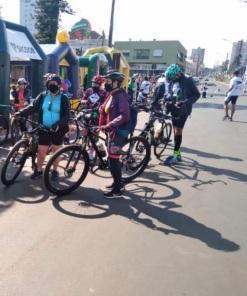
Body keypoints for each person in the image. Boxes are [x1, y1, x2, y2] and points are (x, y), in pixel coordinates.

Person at [15, 74, 70, 179]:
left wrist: (58, 124)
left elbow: (67, 116)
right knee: (41, 151)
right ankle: (39, 170)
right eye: (49, 83)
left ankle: (54, 171)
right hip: (44, 127)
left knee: (55, 151)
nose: (51, 85)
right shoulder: (43, 95)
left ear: (59, 85)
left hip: (57, 129)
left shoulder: (63, 98)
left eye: (54, 84)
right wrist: (21, 112)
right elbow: (33, 107)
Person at [99, 70, 130, 198]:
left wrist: (110, 125)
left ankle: (117, 190)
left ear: (116, 83)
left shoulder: (120, 96)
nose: (105, 83)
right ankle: (117, 183)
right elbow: (103, 109)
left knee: (113, 160)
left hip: (118, 131)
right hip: (111, 131)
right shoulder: (112, 94)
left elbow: (125, 115)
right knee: (112, 159)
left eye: (108, 81)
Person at [163, 64, 200, 165]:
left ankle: (175, 155)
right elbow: (168, 89)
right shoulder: (171, 78)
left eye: (173, 78)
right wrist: (166, 99)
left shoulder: (188, 80)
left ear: (179, 74)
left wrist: (185, 102)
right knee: (175, 130)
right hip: (174, 108)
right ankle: (178, 153)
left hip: (184, 109)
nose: (171, 80)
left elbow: (197, 94)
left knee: (178, 131)